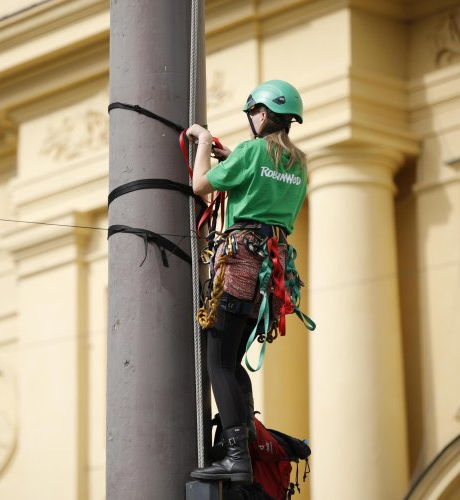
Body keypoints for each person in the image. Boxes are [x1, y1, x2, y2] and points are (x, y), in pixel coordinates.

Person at [186, 80, 308, 484]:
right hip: (270, 276)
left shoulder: (250, 152)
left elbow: (200, 186)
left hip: (238, 263)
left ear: (258, 114)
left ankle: (236, 457)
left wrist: (203, 141)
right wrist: (231, 160)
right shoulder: (298, 164)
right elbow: (260, 179)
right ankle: (246, 449)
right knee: (231, 360)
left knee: (217, 360)